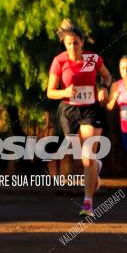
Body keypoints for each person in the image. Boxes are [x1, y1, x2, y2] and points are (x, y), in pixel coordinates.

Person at [47, 20, 112, 218]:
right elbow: (50, 92)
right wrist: (65, 91)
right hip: (69, 110)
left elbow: (107, 77)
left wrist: (104, 88)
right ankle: (95, 167)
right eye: (68, 43)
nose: (72, 47)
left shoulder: (93, 59)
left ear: (82, 42)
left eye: (75, 42)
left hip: (91, 109)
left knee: (87, 157)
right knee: (79, 154)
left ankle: (88, 204)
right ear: (64, 45)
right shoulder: (59, 61)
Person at [107, 55, 127, 178]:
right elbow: (109, 107)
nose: (126, 71)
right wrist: (113, 99)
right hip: (126, 130)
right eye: (122, 68)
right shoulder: (116, 86)